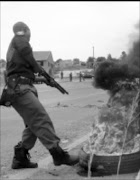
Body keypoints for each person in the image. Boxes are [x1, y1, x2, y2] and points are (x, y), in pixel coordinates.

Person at [5, 21, 79, 169]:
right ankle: (58, 154)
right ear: (25, 30)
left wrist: (45, 79)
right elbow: (29, 59)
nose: (29, 35)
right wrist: (39, 69)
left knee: (33, 125)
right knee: (40, 119)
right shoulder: (19, 39)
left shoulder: (19, 48)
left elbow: (24, 73)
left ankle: (20, 158)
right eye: (28, 32)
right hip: (19, 89)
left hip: (24, 86)